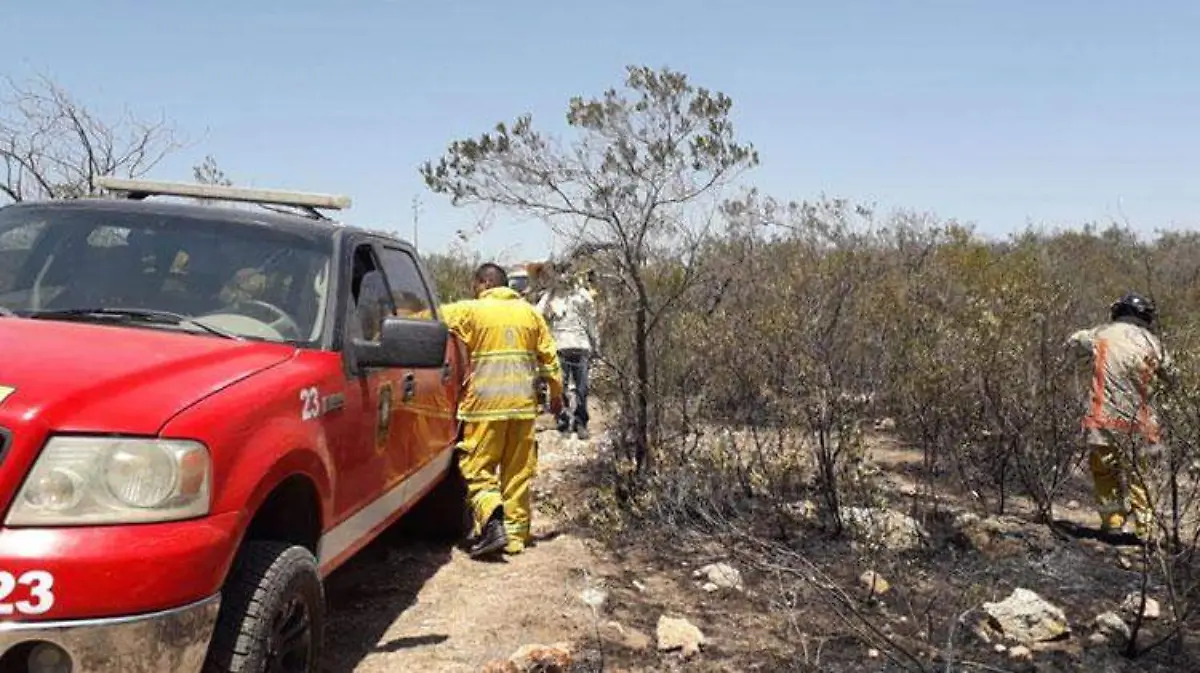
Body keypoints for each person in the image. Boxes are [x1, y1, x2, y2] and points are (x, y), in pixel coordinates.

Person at [440, 263, 563, 558]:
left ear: (484, 283)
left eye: (475, 285)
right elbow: (550, 360)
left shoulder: (470, 311)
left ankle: (492, 519)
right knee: (517, 473)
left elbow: (429, 316)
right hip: (523, 408)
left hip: (485, 408)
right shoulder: (530, 314)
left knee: (477, 469)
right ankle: (516, 538)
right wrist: (556, 395)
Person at [1066, 292, 1177, 541]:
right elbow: (1172, 377)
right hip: (1141, 422)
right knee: (1143, 477)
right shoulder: (1153, 343)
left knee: (1104, 472)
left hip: (1103, 418)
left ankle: (1112, 523)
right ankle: (1147, 531)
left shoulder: (1101, 334)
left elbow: (1073, 342)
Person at [537, 268, 598, 440]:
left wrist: (595, 343)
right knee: (560, 387)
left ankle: (580, 422)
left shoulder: (582, 296)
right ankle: (564, 421)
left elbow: (591, 321)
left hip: (580, 345)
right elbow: (537, 314)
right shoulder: (551, 296)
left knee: (582, 388)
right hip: (560, 346)